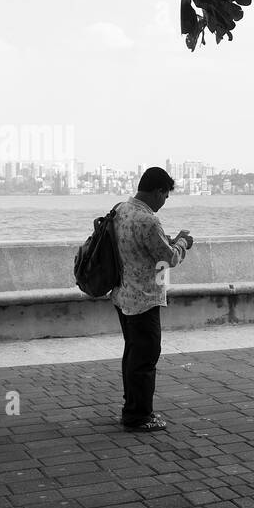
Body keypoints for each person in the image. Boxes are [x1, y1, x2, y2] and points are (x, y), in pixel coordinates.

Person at [111, 167, 194, 432]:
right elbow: (168, 258)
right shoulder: (148, 220)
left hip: (123, 294)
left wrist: (169, 241)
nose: (165, 202)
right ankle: (139, 416)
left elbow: (141, 246)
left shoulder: (121, 210)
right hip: (144, 298)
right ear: (158, 191)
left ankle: (130, 408)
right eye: (166, 195)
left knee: (132, 354)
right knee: (146, 357)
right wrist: (183, 244)